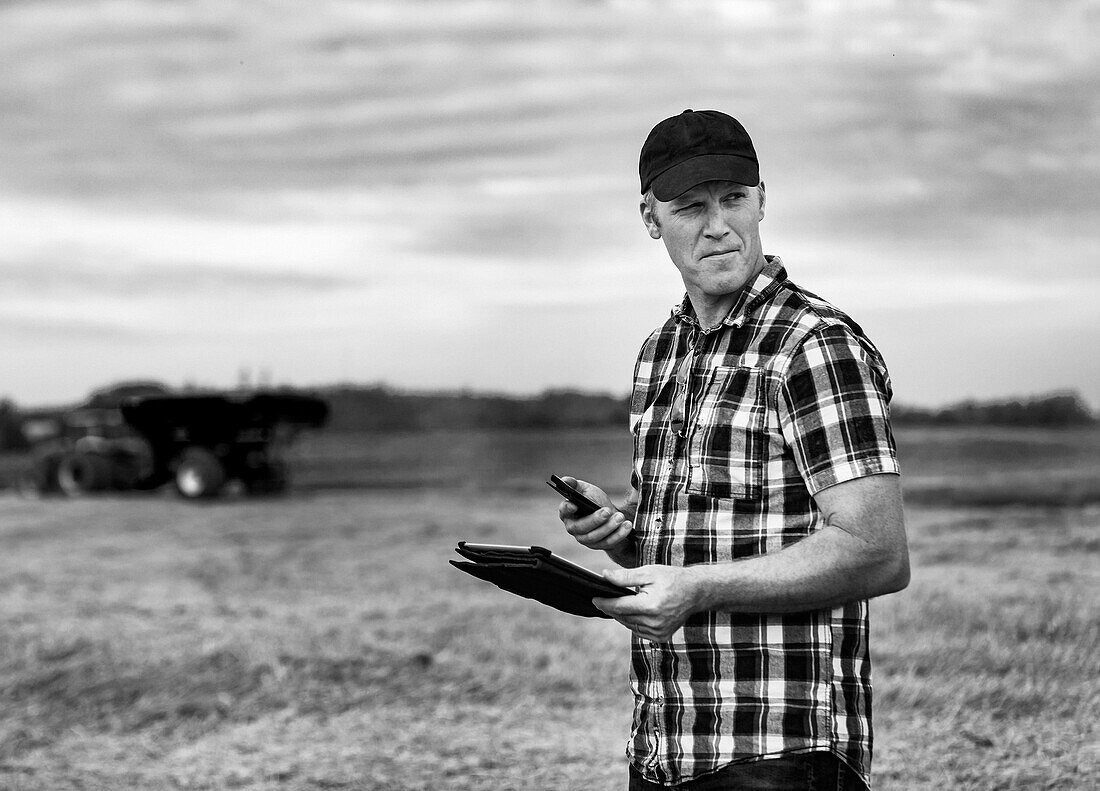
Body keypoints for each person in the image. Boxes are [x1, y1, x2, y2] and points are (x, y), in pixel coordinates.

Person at [557, 109, 909, 790]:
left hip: (782, 753)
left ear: (762, 200)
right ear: (650, 217)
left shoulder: (813, 346)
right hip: (666, 746)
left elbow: (879, 551)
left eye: (734, 199)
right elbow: (691, 551)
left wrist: (695, 587)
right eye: (690, 205)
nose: (718, 223)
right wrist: (622, 537)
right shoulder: (659, 355)